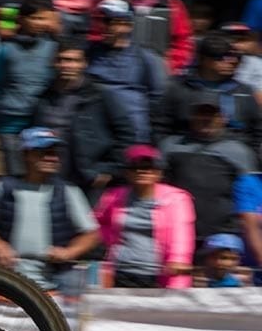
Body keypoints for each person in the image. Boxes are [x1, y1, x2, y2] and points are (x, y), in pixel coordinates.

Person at [0, 127, 101, 293]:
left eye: (54, 153)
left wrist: (69, 252)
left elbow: (92, 234)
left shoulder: (68, 191)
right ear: (26, 154)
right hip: (4, 284)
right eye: (44, 152)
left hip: (52, 287)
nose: (51, 158)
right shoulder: (3, 187)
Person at [32, 37, 135, 205]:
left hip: (89, 176)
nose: (66, 65)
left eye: (72, 60)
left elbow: (127, 132)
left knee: (89, 225)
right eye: (61, 60)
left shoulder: (100, 95)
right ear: (53, 63)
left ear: (84, 64)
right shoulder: (44, 96)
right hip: (51, 173)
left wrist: (109, 169)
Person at [160, 93, 260, 247]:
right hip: (177, 233)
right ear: (191, 117)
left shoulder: (240, 151)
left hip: (223, 238)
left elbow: (251, 200)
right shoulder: (170, 147)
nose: (206, 119)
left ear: (223, 118)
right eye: (200, 114)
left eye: (212, 114)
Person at [94, 144, 195, 289]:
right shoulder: (113, 196)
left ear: (159, 173)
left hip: (158, 274)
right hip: (119, 271)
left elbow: (182, 235)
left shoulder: (176, 199)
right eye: (134, 167)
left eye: (149, 166)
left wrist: (178, 260)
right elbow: (97, 227)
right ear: (127, 172)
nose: (142, 171)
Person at [155, 32, 262, 156]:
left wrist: (251, 154)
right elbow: (161, 126)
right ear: (203, 59)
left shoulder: (245, 91)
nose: (232, 61)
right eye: (223, 56)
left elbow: (257, 129)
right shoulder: (179, 88)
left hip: (234, 154)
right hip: (188, 153)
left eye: (237, 57)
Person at [88, 0, 193, 75]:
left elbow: (183, 41)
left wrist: (170, 67)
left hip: (159, 73)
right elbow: (94, 36)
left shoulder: (172, 4)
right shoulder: (109, 2)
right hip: (116, 71)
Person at [86, 0, 168, 143]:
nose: (104, 26)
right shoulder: (89, 52)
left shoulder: (147, 58)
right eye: (102, 20)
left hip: (133, 133)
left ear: (127, 25)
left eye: (109, 21)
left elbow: (159, 99)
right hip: (97, 131)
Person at [0, 0, 56, 176]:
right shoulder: (5, 49)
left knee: (39, 171)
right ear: (21, 20)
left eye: (42, 18)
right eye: (33, 18)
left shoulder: (53, 48)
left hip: (40, 117)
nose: (37, 23)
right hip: (10, 118)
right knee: (14, 170)